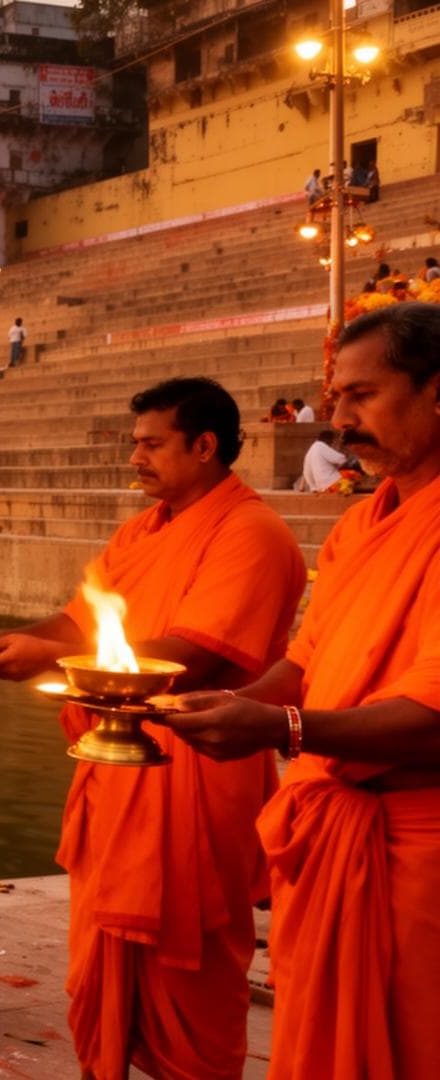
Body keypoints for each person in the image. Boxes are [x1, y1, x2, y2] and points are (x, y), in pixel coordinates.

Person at [0, 377, 305, 1080]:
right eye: (134, 444)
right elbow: (77, 624)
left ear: (206, 446)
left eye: (152, 444)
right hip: (116, 767)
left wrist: (56, 658)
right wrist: (1, 642)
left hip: (196, 768)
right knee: (103, 966)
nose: (136, 458)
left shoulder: (252, 532)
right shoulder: (140, 532)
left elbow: (198, 655)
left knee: (189, 973)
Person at [160, 302, 440, 1078]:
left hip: (419, 849)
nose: (339, 419)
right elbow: (309, 663)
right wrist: (227, 705)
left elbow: (432, 719)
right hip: (335, 837)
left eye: (363, 396)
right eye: (337, 397)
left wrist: (280, 729)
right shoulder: (361, 526)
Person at [299, 430, 354, 494]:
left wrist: (313, 487)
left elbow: (306, 472)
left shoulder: (311, 450)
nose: (332, 443)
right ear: (329, 440)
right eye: (332, 441)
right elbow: (341, 459)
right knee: (354, 472)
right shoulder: (321, 446)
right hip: (332, 484)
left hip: (319, 488)